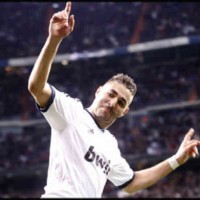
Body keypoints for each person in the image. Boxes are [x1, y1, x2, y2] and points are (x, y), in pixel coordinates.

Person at [28, 2, 200, 198]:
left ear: (124, 112)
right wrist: (54, 40)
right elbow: (36, 87)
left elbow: (131, 183)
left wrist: (177, 159)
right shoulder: (70, 111)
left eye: (121, 102)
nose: (113, 103)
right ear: (98, 91)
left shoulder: (110, 145)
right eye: (111, 94)